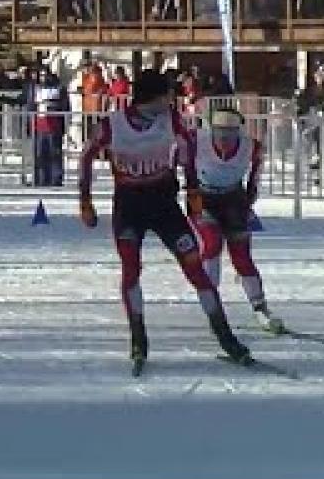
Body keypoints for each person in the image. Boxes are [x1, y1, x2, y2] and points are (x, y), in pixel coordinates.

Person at [77, 69, 251, 371]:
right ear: (153, 98)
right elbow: (86, 155)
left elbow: (191, 146)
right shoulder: (113, 125)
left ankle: (225, 335)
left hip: (163, 203)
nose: (171, 100)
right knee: (131, 268)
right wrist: (85, 200)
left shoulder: (169, 119)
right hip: (130, 206)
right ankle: (138, 337)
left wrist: (192, 187)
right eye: (166, 95)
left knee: (194, 265)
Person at [189, 108, 283, 333]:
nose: (224, 140)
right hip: (203, 198)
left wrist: (250, 197)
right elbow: (178, 157)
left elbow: (256, 172)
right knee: (211, 244)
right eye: (219, 133)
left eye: (230, 135)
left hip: (233, 199)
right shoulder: (196, 140)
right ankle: (213, 306)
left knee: (241, 256)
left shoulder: (251, 146)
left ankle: (259, 306)